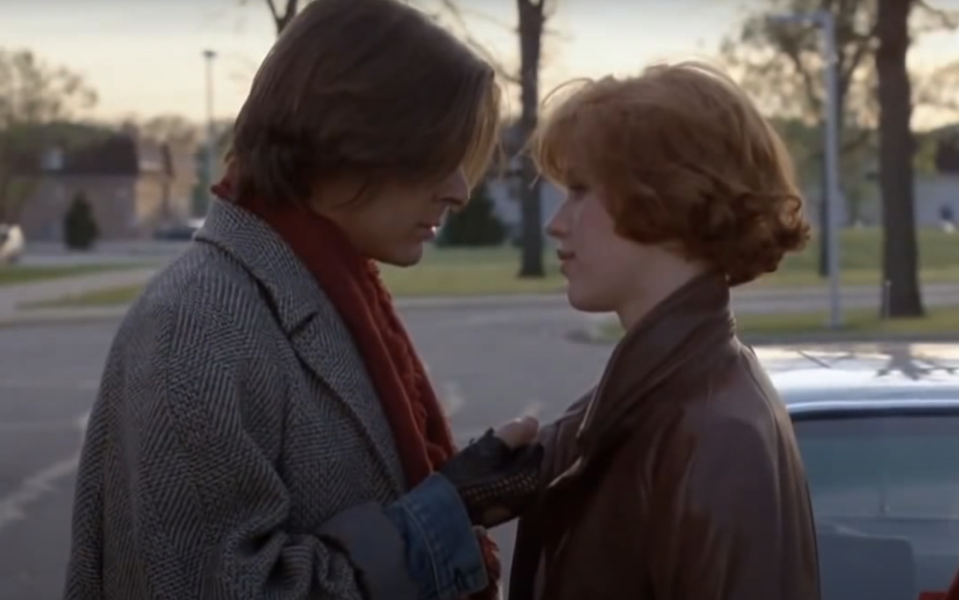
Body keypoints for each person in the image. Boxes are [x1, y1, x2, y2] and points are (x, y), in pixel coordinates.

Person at [63, 1, 543, 599]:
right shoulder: (198, 325)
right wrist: (438, 520)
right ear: (338, 139)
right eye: (433, 157)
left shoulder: (328, 292)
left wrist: (456, 493)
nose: (459, 190)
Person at [508, 61, 822, 600]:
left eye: (581, 190)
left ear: (668, 197)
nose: (556, 222)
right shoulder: (660, 395)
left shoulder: (713, 430)